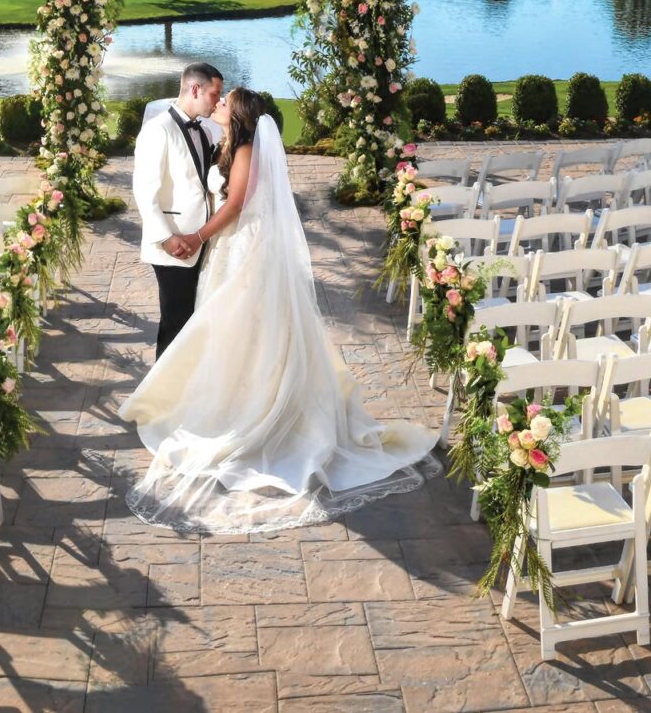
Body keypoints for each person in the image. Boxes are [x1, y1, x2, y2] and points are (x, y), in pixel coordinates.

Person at [120, 87, 437, 533]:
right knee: (228, 328)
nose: (218, 106)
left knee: (245, 324)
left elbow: (234, 205)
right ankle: (231, 393)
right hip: (230, 248)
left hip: (245, 248)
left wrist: (198, 236)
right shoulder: (228, 141)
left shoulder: (247, 148)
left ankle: (255, 405)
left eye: (225, 102)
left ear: (240, 113)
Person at [131, 62, 223, 358]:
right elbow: (145, 192)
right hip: (174, 245)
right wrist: (167, 239)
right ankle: (161, 398)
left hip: (200, 241)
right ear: (195, 89)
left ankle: (185, 393)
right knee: (175, 324)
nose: (218, 101)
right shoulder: (157, 129)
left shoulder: (206, 133)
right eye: (214, 93)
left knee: (192, 323)